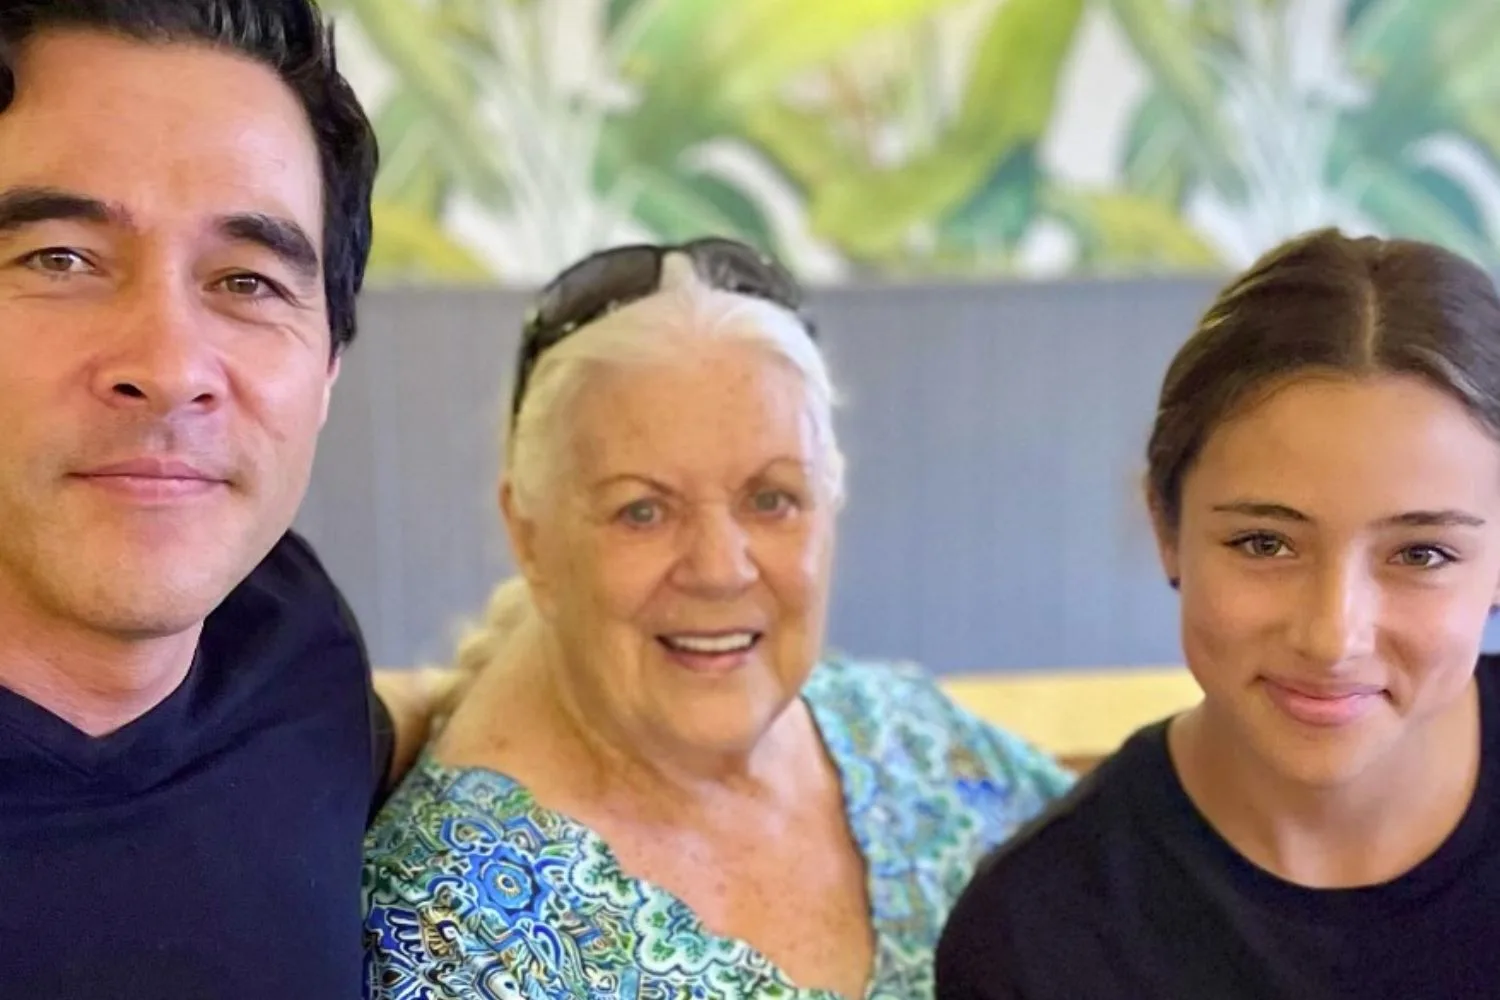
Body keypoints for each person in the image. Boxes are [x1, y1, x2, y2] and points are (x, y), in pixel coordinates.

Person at [362, 237, 1073, 999]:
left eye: (771, 499)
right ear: (529, 534)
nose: (719, 569)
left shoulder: (913, 745)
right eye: (642, 510)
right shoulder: (452, 934)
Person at [0, 2, 449, 996]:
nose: (169, 370)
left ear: (326, 369)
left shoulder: (286, 623)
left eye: (247, 282)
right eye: (59, 258)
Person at [936, 228, 1500, 999]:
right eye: (1265, 543)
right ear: (1167, 529)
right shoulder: (1037, 934)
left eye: (1421, 554)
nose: (1332, 636)